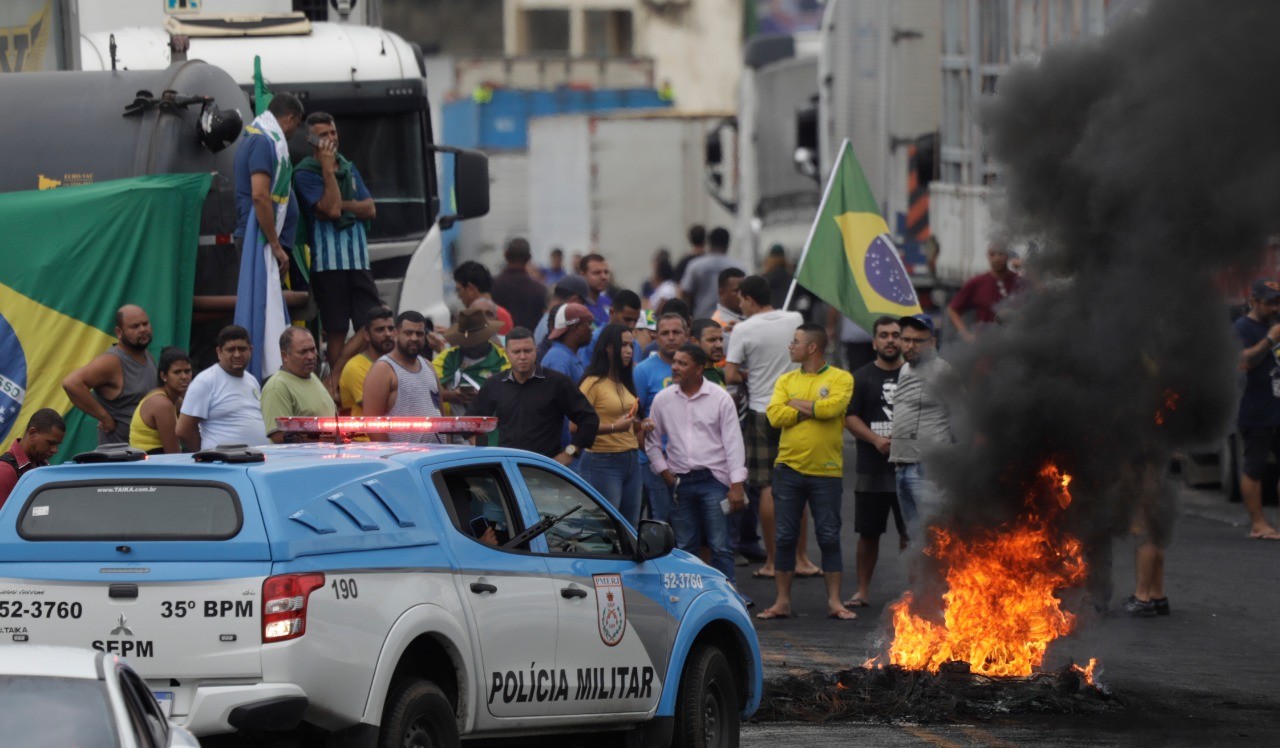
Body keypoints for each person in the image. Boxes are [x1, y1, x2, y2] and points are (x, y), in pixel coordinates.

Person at [758, 324, 855, 621]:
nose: (791, 346)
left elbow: (832, 409)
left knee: (828, 535)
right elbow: (775, 416)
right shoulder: (786, 379)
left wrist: (796, 405)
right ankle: (782, 602)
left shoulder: (842, 378)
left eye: (796, 341)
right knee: (785, 536)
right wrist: (812, 408)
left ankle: (835, 602)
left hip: (827, 471)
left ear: (812, 347)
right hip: (788, 468)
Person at [725, 275, 820, 579]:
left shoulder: (743, 329)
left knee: (767, 486)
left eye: (741, 300)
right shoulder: (795, 318)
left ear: (750, 300)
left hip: (763, 411)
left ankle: (774, 561)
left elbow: (729, 375)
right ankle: (802, 558)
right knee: (798, 482)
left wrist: (748, 375)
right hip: (797, 409)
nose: (740, 305)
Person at [645, 344, 747, 586]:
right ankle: (689, 599)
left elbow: (733, 443)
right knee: (685, 547)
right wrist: (665, 473)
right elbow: (652, 441)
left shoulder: (720, 398)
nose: (675, 367)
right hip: (679, 481)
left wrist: (737, 484)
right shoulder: (663, 399)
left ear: (699, 369)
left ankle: (727, 595)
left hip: (713, 479)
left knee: (720, 545)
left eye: (683, 363)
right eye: (675, 362)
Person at [292, 111, 380, 381]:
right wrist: (328, 171)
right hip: (328, 263)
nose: (331, 139)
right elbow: (330, 210)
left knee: (373, 324)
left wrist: (343, 206)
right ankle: (337, 387)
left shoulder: (349, 167)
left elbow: (370, 209)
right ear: (311, 139)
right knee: (337, 328)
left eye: (333, 133)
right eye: (324, 135)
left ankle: (337, 374)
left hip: (358, 260)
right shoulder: (305, 173)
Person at [842, 316, 908, 607]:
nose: (890, 340)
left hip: (910, 470)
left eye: (896, 335)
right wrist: (875, 440)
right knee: (868, 534)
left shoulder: (916, 376)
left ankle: (914, 594)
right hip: (871, 469)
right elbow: (849, 417)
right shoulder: (861, 377)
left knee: (911, 535)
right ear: (874, 342)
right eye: (884, 335)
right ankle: (862, 591)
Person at [470, 328, 599, 463]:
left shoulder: (557, 382)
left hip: (545, 468)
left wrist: (570, 452)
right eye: (516, 352)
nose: (522, 357)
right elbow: (470, 422)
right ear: (506, 353)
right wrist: (485, 454)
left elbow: (589, 418)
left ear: (536, 350)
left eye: (527, 351)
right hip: (508, 468)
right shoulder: (494, 384)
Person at [889, 314, 953, 530]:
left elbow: (962, 415)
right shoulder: (904, 369)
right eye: (905, 340)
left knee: (934, 538)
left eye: (917, 341)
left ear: (932, 342)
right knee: (914, 540)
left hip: (928, 470)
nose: (910, 346)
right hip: (901, 465)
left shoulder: (942, 371)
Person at [62, 304, 158, 445]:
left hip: (147, 451)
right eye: (135, 326)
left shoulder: (147, 356)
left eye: (145, 324)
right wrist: (104, 417)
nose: (143, 330)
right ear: (119, 332)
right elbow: (71, 383)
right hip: (120, 456)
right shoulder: (112, 362)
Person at [579, 324, 646, 525]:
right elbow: (576, 427)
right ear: (608, 348)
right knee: (606, 528)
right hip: (602, 461)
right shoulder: (592, 382)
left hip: (631, 459)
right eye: (623, 345)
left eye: (631, 346)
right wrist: (613, 428)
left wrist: (641, 424)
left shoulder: (625, 381)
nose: (628, 350)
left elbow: (628, 423)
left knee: (630, 527)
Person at [234, 92, 305, 278]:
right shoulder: (263, 141)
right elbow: (259, 195)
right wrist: (275, 244)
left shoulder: (262, 138)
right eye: (297, 125)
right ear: (290, 119)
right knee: (261, 305)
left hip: (265, 240)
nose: (294, 132)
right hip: (259, 240)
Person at [1232, 278, 1280, 539]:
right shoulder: (1242, 328)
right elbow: (1243, 362)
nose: (1276, 308)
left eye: (1279, 302)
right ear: (1254, 302)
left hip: (1278, 408)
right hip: (1255, 411)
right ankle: (1258, 524)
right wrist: (1269, 341)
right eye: (1271, 303)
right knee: (1254, 468)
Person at [177, 325, 270, 450]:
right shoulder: (205, 381)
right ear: (219, 352)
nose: (237, 354)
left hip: (256, 461)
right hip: (222, 463)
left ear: (251, 350)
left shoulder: (252, 380)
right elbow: (183, 430)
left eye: (242, 349)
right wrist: (204, 455)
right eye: (231, 350)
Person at [634, 313, 690, 522]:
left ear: (687, 335)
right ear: (656, 337)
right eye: (665, 333)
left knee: (687, 520)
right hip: (654, 460)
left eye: (676, 332)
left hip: (689, 459)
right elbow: (634, 417)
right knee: (662, 520)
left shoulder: (694, 366)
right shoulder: (642, 371)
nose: (671, 337)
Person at [363, 311, 446, 443]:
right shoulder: (383, 369)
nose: (414, 338)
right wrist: (391, 456)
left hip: (437, 458)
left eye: (419, 334)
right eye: (408, 333)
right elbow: (372, 424)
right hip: (403, 460)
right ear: (396, 334)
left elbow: (441, 414)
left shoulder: (429, 367)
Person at [434, 308, 510, 422]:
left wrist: (484, 396)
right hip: (454, 430)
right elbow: (427, 391)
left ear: (486, 337)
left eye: (476, 342)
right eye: (467, 342)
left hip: (491, 430)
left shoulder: (503, 360)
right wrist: (450, 396)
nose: (471, 346)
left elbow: (513, 394)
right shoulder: (445, 359)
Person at [261, 328, 336, 442]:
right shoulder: (277, 387)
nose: (311, 356)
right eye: (303, 352)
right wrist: (328, 438)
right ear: (285, 356)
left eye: (312, 350)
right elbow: (279, 436)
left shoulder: (312, 376)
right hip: (302, 458)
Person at [946, 242, 1024, 342]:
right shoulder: (977, 282)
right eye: (992, 254)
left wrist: (1027, 268)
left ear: (1008, 255)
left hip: (1014, 342)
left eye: (1001, 254)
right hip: (986, 346)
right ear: (987, 256)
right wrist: (966, 335)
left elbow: (1041, 299)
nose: (996, 259)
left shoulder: (1019, 281)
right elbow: (952, 309)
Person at [129, 347, 193, 454]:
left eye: (187, 371)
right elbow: (174, 455)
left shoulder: (175, 401)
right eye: (177, 372)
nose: (184, 377)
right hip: (150, 465)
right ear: (164, 376)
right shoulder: (162, 404)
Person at [0, 408, 65, 508]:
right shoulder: (5, 471)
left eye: (57, 444)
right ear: (32, 433)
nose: (55, 450)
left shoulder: (43, 465)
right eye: (50, 443)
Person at [339, 307, 396, 417]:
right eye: (380, 330)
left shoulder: (399, 363)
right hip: (363, 434)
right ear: (367, 335)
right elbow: (376, 409)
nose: (387, 334)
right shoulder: (355, 367)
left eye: (390, 328)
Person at [681, 227, 743, 318]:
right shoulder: (738, 267)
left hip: (701, 318)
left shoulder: (696, 265)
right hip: (729, 320)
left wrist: (687, 317)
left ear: (709, 242)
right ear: (728, 243)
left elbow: (686, 293)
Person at [491, 237, 548, 331]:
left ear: (505, 255)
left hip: (499, 343)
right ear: (529, 258)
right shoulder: (540, 290)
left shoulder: (492, 285)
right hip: (528, 342)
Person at [578, 290, 643, 367]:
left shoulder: (635, 346)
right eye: (627, 319)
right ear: (612, 313)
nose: (632, 326)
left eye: (635, 320)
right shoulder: (593, 341)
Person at [454, 261, 514, 335]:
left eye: (459, 290)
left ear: (470, 289)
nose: (458, 296)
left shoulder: (501, 316)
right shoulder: (504, 315)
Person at [542, 303, 594, 383]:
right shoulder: (559, 359)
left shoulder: (565, 355)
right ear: (576, 328)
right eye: (589, 324)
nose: (592, 329)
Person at [535, 275, 590, 348]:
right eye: (582, 304)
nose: (584, 308)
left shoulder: (548, 321)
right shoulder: (553, 327)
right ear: (575, 300)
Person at [710, 267, 746, 346]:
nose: (743, 295)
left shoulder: (746, 316)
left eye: (745, 290)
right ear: (722, 293)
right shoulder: (720, 324)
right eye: (737, 291)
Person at [580, 253, 613, 326]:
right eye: (597, 273)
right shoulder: (576, 306)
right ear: (583, 276)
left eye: (606, 272)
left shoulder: (608, 302)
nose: (604, 277)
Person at [692, 318, 727, 386]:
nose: (719, 345)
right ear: (695, 342)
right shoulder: (691, 377)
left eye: (721, 340)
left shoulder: (719, 372)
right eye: (712, 340)